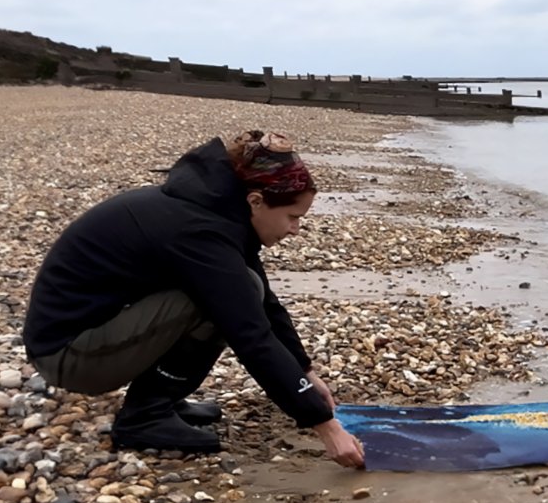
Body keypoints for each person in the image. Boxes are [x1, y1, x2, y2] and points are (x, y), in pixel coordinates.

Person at [22, 130, 365, 468]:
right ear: (256, 200)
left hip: (96, 334)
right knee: (220, 301)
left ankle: (159, 401)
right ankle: (145, 416)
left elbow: (265, 304)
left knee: (241, 290)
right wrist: (326, 426)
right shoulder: (199, 231)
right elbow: (251, 335)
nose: (295, 230)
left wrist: (305, 371)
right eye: (293, 217)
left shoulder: (216, 213)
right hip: (68, 354)